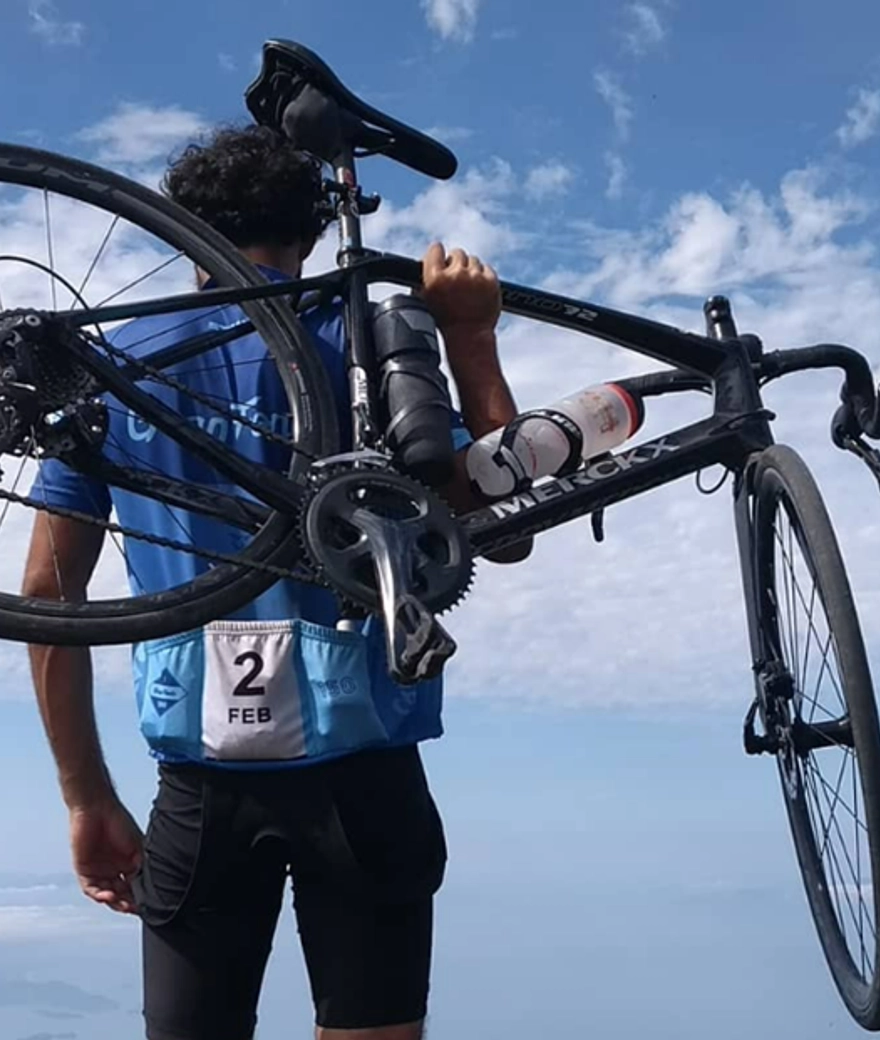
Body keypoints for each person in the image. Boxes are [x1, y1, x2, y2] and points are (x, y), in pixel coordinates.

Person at [22, 124, 529, 1040]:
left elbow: (50, 599)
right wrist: (472, 337)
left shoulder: (118, 364)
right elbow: (497, 526)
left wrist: (86, 797)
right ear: (309, 231)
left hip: (200, 780)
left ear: (184, 236)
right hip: (367, 769)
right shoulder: (374, 346)